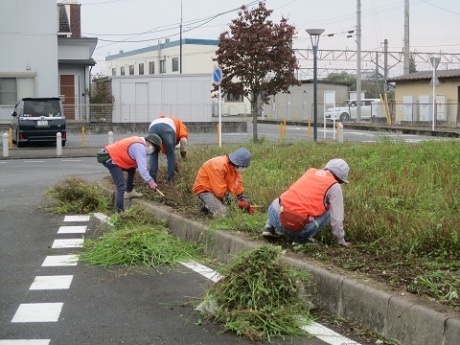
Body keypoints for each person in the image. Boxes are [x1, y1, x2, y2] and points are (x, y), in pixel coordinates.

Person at [262, 158, 351, 246]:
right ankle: (301, 239)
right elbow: (337, 219)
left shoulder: (310, 172)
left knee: (282, 199)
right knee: (330, 211)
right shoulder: (334, 186)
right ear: (340, 179)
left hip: (276, 218)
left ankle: (269, 227)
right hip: (297, 229)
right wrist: (340, 240)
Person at [99, 134, 162, 213]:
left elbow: (137, 164)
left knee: (132, 168)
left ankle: (129, 191)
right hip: (110, 158)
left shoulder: (139, 142)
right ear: (149, 142)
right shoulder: (140, 147)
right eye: (154, 148)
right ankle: (120, 212)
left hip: (112, 156)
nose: (152, 150)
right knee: (121, 187)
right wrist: (151, 182)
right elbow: (143, 169)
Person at [192, 148, 255, 217]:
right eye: (244, 167)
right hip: (205, 190)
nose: (244, 169)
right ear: (238, 164)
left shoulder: (235, 170)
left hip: (218, 191)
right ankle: (206, 205)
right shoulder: (219, 166)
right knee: (223, 214)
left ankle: (211, 204)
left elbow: (238, 189)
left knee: (233, 209)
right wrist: (238, 203)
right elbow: (220, 192)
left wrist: (246, 203)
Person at [148, 115, 189, 181]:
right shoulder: (181, 125)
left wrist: (174, 163)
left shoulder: (165, 119)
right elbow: (183, 140)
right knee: (171, 155)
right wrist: (183, 154)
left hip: (153, 127)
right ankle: (171, 179)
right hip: (168, 128)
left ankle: (152, 179)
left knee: (153, 153)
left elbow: (165, 149)